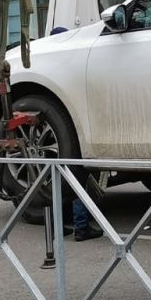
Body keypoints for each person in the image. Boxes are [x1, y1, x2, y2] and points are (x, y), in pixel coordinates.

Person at [49, 26, 103, 242]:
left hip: (54, 141)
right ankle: (81, 227)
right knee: (78, 183)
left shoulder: (48, 67)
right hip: (74, 140)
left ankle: (57, 226)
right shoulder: (71, 66)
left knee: (58, 184)